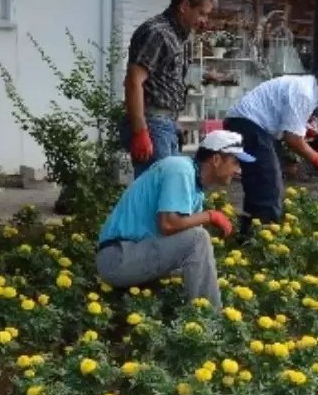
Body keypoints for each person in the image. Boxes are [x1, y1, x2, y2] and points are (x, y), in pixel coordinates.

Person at [95, 130, 252, 308]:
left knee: (202, 267)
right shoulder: (180, 170)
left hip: (135, 253)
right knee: (198, 239)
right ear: (216, 160)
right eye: (235, 162)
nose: (238, 170)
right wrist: (211, 216)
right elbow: (168, 224)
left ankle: (197, 317)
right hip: (118, 257)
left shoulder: (195, 185)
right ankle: (211, 322)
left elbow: (181, 240)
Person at [224, 62, 318, 233]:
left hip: (249, 124)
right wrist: (317, 158)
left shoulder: (307, 89)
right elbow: (292, 139)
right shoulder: (305, 92)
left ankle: (248, 234)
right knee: (268, 184)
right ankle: (264, 237)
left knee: (260, 181)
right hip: (249, 124)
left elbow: (292, 130)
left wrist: (305, 133)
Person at [122, 0, 216, 177]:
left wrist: (174, 122)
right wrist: (141, 132)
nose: (204, 20)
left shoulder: (177, 35)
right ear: (184, 7)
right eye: (202, 13)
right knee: (158, 190)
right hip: (153, 123)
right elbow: (133, 81)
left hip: (164, 123)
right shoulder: (158, 32)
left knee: (167, 188)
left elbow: (165, 82)